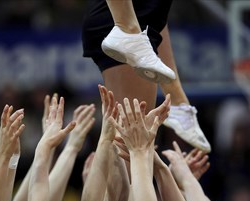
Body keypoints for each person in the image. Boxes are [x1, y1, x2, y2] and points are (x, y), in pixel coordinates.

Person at [82, 0, 211, 152]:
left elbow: (155, 20)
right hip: (118, 25)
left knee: (136, 149)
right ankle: (127, 29)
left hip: (137, 22)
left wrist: (174, 92)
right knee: (134, 152)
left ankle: (177, 100)